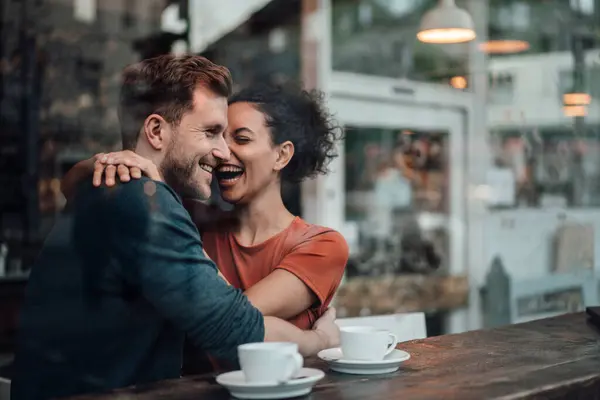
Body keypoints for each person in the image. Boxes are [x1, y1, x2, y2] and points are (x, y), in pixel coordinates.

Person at [11, 55, 339, 400]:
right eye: (212, 132)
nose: (222, 151)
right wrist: (321, 340)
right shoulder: (140, 201)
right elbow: (234, 329)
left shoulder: (116, 191)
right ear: (155, 131)